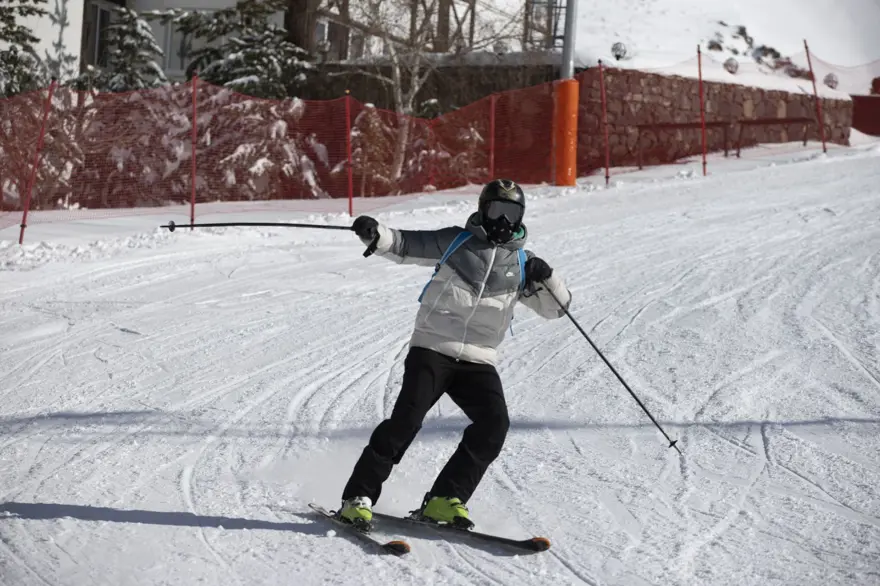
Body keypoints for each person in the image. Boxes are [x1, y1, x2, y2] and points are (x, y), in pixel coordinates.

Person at [338, 178, 572, 531]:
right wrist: (375, 234)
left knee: (494, 425)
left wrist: (548, 278)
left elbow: (557, 309)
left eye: (511, 213)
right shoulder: (456, 242)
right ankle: (358, 498)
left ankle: (445, 500)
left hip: (478, 359)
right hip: (433, 347)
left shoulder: (523, 264)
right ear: (483, 209)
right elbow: (404, 244)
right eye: (497, 210)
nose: (503, 221)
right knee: (406, 422)